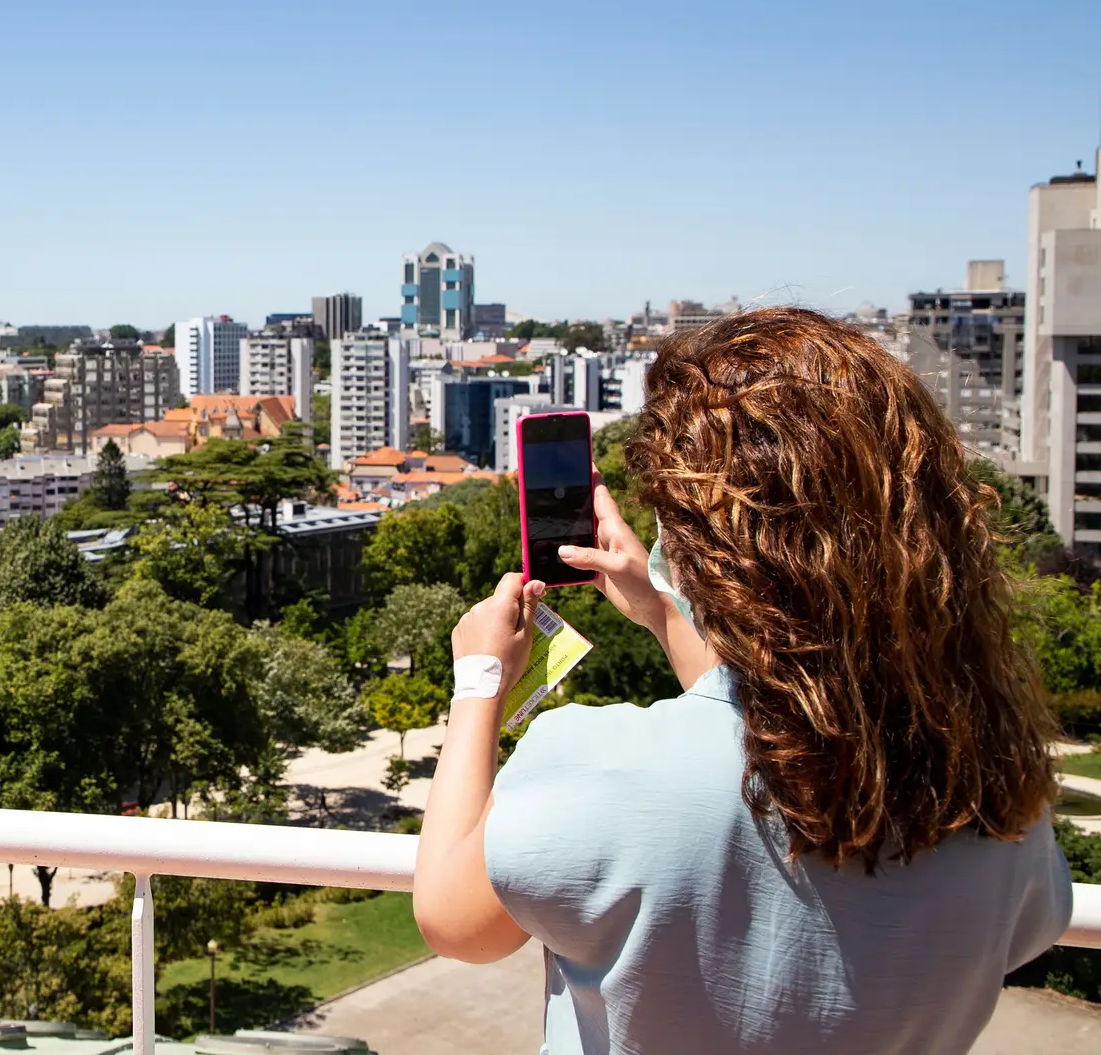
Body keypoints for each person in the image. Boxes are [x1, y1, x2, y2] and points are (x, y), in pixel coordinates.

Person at [412, 307, 1073, 1054]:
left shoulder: (607, 770)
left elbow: (454, 921)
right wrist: (663, 612)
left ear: (705, 551)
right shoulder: (996, 792)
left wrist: (480, 680)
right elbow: (776, 726)